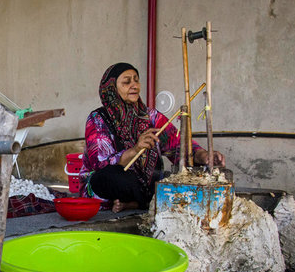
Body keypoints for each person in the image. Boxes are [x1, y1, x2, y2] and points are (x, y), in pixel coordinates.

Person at [79, 62, 225, 213]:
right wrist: (136, 150)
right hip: (112, 184)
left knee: (170, 180)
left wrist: (203, 155)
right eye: (127, 82)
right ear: (112, 88)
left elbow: (176, 144)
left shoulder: (150, 117)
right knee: (109, 178)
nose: (134, 85)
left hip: (143, 184)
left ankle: (137, 203)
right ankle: (145, 202)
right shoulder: (98, 118)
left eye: (136, 80)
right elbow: (99, 163)